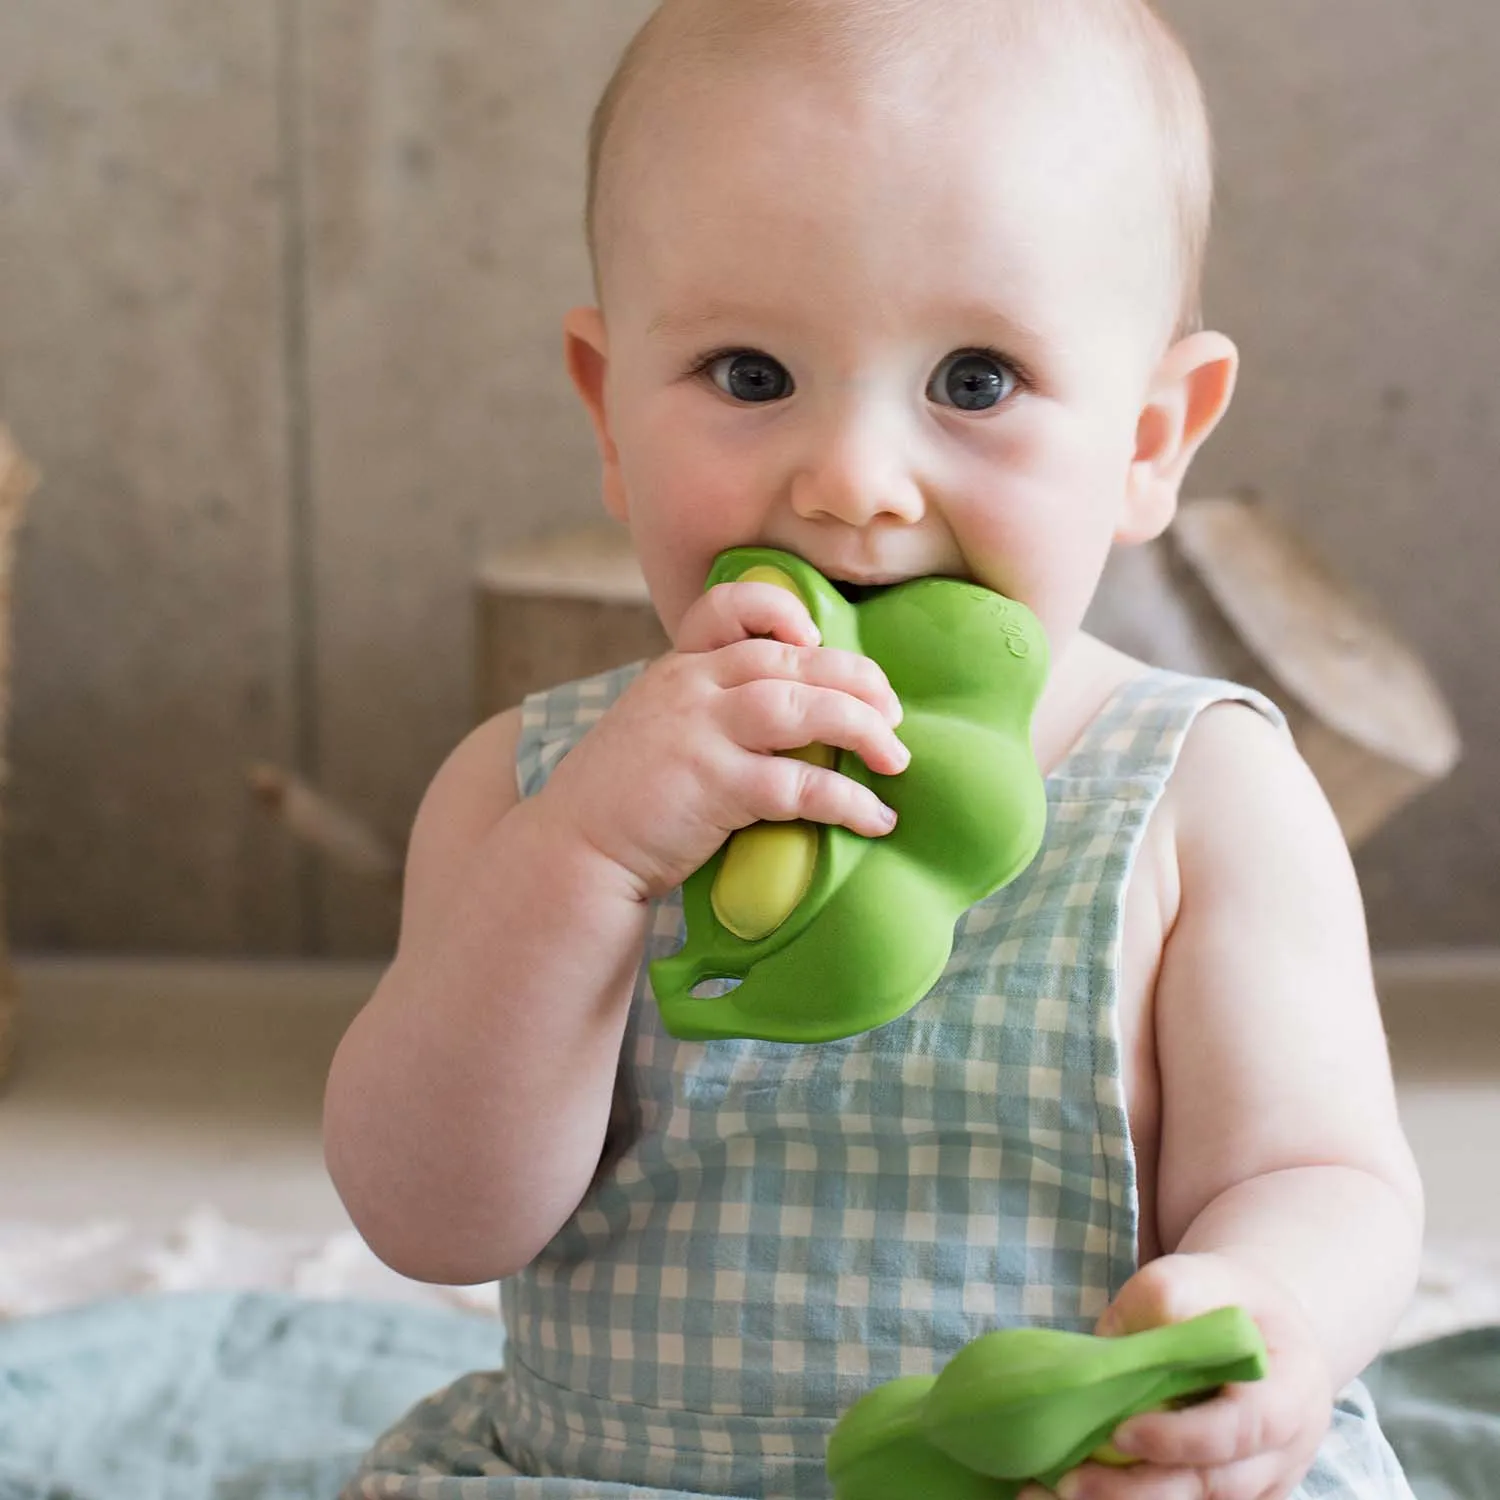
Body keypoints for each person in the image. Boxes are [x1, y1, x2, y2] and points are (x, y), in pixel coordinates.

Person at [324, 1, 1425, 1496]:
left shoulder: (1200, 794)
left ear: (1154, 434)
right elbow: (431, 1217)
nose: (852, 484)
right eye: (749, 375)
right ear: (608, 410)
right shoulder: (530, 790)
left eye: (975, 380)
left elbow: (1321, 1176)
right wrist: (584, 861)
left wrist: (1260, 1323)